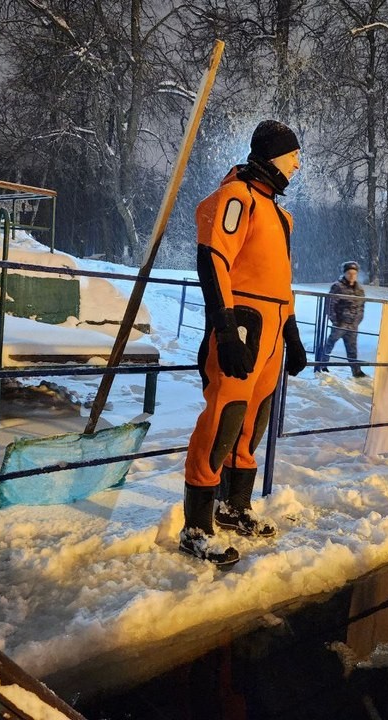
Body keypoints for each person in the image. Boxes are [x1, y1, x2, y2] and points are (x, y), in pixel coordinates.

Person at [165, 120, 308, 567]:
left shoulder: (282, 216)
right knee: (224, 418)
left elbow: (282, 282)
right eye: (291, 157)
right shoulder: (236, 197)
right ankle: (196, 526)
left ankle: (235, 506)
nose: (297, 164)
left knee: (254, 423)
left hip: (271, 334)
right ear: (269, 155)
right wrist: (224, 327)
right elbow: (213, 259)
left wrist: (293, 332)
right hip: (241, 325)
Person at [315, 260, 367, 377]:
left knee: (352, 349)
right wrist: (335, 320)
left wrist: (358, 320)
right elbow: (330, 304)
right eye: (349, 273)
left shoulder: (359, 289)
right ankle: (322, 365)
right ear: (345, 273)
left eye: (354, 273)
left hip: (353, 325)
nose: (352, 276)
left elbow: (361, 307)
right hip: (340, 323)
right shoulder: (338, 287)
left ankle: (356, 371)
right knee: (329, 344)